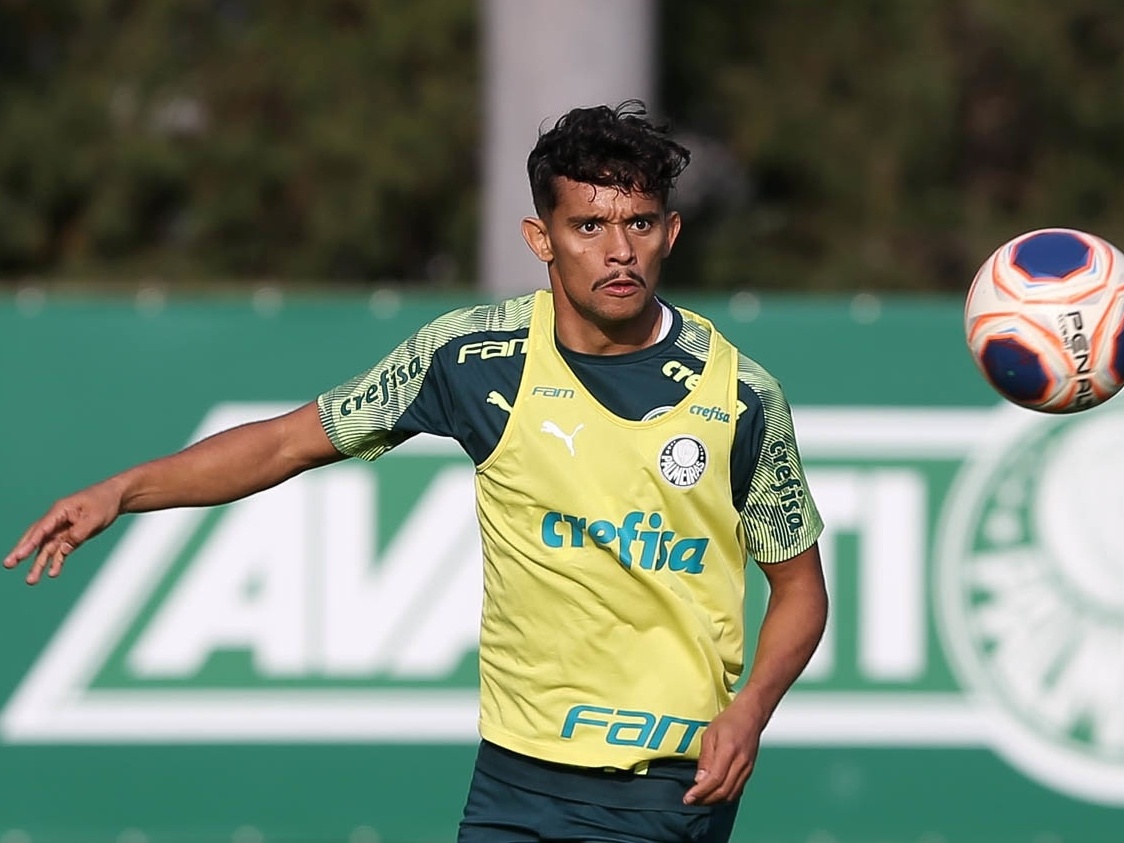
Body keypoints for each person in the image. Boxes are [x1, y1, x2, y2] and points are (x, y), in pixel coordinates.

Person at [4, 100, 827, 843]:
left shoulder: (742, 395)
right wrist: (123, 490)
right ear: (540, 238)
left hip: (671, 791)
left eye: (641, 224)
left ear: (671, 233)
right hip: (516, 782)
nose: (619, 252)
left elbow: (800, 588)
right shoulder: (472, 358)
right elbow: (290, 442)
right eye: (589, 226)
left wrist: (750, 708)